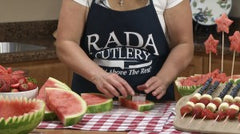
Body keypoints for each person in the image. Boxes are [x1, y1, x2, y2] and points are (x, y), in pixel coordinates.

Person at [55, 0, 194, 101]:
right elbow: (66, 43)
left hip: (152, 104)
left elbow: (183, 44)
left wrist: (164, 78)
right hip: (90, 101)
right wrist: (98, 76)